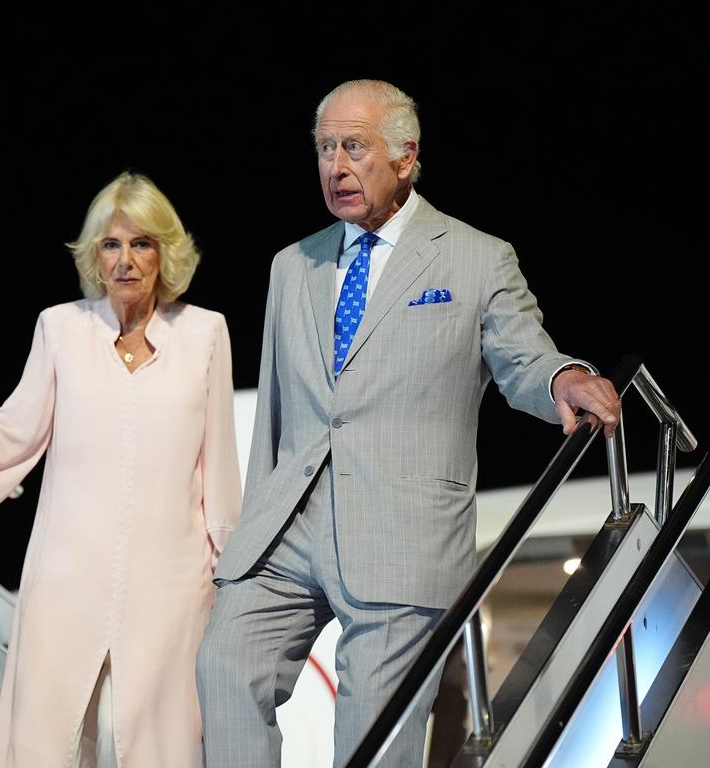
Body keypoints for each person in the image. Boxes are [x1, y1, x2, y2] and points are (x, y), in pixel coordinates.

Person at [195, 78, 621, 768]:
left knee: (375, 740)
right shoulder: (290, 266)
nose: (335, 165)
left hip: (402, 533)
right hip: (288, 529)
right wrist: (253, 523)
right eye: (325, 147)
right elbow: (275, 409)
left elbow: (522, 355)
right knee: (223, 666)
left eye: (353, 147)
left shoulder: (476, 258)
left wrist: (560, 377)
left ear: (405, 155)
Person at [0, 171, 242, 767]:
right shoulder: (60, 329)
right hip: (66, 580)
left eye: (141, 243)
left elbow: (221, 480)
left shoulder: (205, 333)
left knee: (157, 745)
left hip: (173, 588)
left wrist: (231, 582)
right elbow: (8, 441)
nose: (126, 260)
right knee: (49, 740)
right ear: (93, 255)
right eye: (111, 244)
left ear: (166, 250)